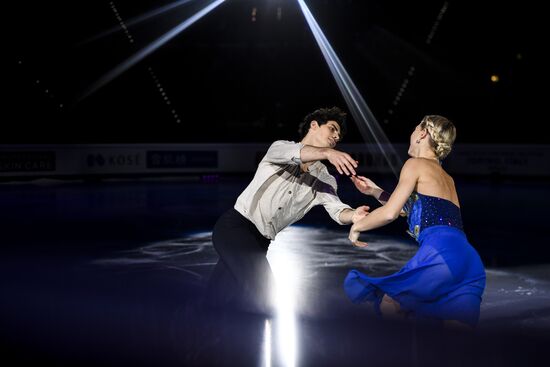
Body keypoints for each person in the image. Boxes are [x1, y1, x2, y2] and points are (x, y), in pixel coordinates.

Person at [206, 106, 369, 314]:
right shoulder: (280, 148)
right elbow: (300, 154)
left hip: (261, 243)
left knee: (216, 300)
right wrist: (328, 152)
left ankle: (198, 334)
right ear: (314, 125)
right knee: (266, 298)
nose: (336, 136)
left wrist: (354, 215)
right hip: (235, 227)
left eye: (339, 136)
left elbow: (338, 211)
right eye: (332, 129)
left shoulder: (325, 179)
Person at [344, 115, 486, 329]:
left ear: (422, 134)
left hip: (440, 255)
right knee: (455, 343)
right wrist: (373, 191)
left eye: (413, 129)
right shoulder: (447, 178)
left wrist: (357, 226)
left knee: (390, 305)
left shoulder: (415, 164)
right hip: (469, 262)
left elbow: (390, 213)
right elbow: (413, 209)